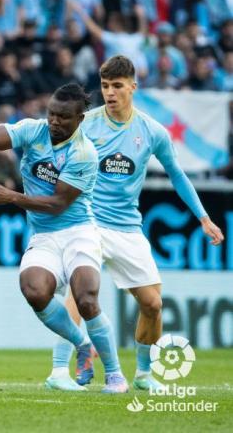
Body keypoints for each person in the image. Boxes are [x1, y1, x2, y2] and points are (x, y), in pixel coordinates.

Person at [49, 56, 224, 391]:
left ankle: (143, 374)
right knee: (79, 291)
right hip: (88, 222)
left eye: (117, 86)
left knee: (153, 304)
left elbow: (177, 175)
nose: (110, 93)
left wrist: (203, 217)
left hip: (128, 227)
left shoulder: (152, 132)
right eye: (104, 86)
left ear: (133, 87)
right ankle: (58, 371)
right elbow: (56, 162)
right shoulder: (86, 125)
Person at [0, 83, 129, 393]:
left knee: (86, 298)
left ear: (80, 118)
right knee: (34, 289)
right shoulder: (33, 130)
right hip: (45, 236)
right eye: (51, 114)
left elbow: (58, 203)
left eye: (63, 117)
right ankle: (82, 345)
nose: (54, 122)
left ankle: (115, 376)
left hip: (79, 233)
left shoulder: (84, 153)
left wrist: (11, 197)